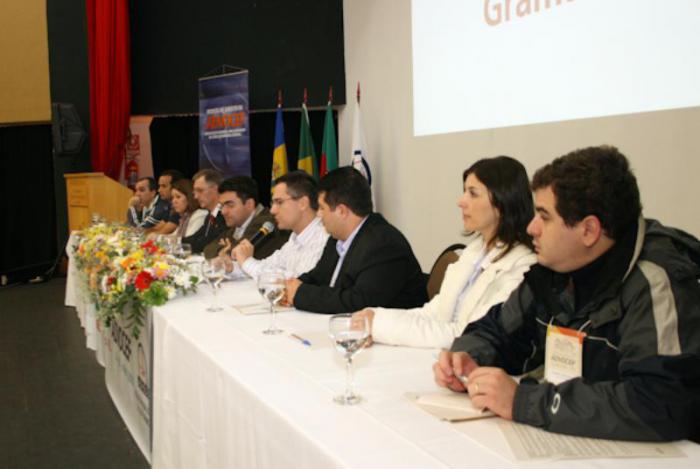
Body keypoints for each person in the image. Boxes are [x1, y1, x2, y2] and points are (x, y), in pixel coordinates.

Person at [433, 146, 700, 441]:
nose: (531, 228)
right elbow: (496, 330)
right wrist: (468, 358)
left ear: (589, 231)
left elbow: (660, 403)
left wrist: (524, 402)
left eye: (544, 217)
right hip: (572, 438)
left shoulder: (655, 282)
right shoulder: (552, 269)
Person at [353, 156, 536, 348]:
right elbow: (433, 314)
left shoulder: (523, 266)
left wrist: (379, 325)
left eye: (473, 194)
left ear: (503, 202)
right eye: (464, 192)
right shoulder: (474, 251)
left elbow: (468, 335)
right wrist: (374, 317)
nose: (461, 201)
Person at [284, 167, 428, 314]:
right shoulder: (337, 238)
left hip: (388, 327)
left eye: (322, 208)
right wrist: (289, 287)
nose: (318, 215)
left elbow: (358, 303)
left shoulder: (383, 244)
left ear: (342, 211)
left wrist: (300, 294)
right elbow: (318, 277)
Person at [225, 171, 328, 279]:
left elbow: (297, 281)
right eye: (272, 203)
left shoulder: (323, 238)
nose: (272, 210)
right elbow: (268, 266)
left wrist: (247, 262)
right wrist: (230, 267)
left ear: (303, 203)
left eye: (279, 202)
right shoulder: (294, 239)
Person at [203, 176, 288, 260]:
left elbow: (237, 254)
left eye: (230, 205)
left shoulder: (266, 223)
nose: (223, 211)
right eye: (222, 206)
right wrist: (223, 249)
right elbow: (208, 249)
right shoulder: (238, 222)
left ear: (249, 204)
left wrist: (224, 249)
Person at [182, 169, 227, 253]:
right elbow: (196, 237)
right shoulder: (210, 215)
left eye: (200, 190)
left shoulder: (225, 215)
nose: (195, 197)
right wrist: (175, 241)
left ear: (215, 189)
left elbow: (207, 243)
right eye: (195, 192)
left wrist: (175, 243)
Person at [150, 169, 186, 235]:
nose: (159, 190)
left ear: (175, 186)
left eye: (164, 186)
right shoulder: (168, 205)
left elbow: (164, 231)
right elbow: (157, 228)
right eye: (159, 186)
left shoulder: (180, 208)